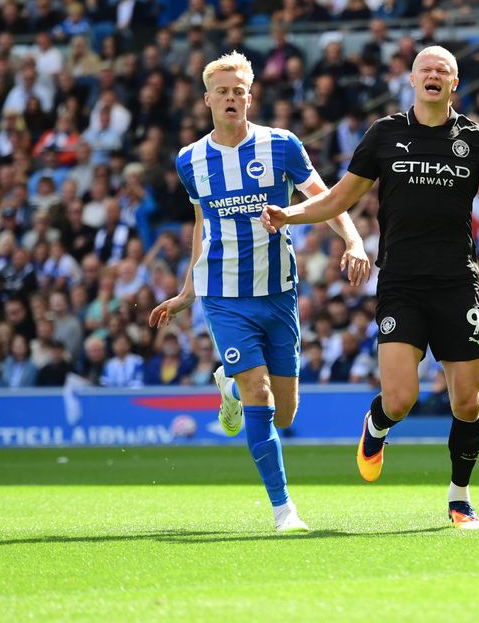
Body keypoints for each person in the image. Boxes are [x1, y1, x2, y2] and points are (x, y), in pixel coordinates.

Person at [261, 45, 479, 530]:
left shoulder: (477, 139)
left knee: (467, 401)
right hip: (401, 283)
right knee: (400, 398)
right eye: (426, 68)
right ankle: (377, 424)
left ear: (454, 83)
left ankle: (460, 497)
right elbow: (339, 198)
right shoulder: (385, 134)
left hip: (456, 283)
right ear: (411, 79)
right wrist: (289, 214)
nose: (434, 74)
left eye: (443, 69)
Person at [150, 51, 371, 534]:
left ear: (250, 97)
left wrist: (353, 240)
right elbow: (202, 225)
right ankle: (283, 510)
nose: (231, 98)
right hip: (224, 295)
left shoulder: (282, 145)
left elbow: (326, 198)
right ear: (207, 99)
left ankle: (228, 385)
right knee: (260, 391)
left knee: (285, 413)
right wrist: (189, 289)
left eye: (239, 91)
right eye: (223, 92)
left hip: (278, 291)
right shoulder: (190, 159)